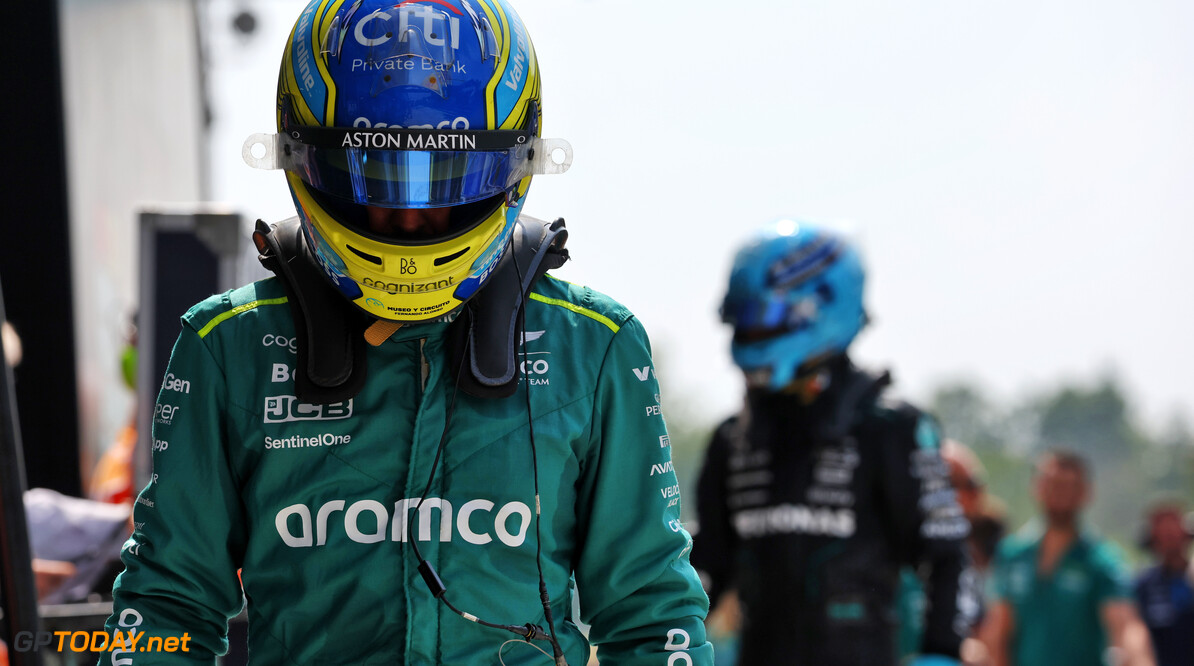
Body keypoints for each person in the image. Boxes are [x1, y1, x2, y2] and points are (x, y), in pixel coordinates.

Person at [102, 1, 713, 663]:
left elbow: (653, 616)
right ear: (305, 158)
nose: (411, 219)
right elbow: (167, 607)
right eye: (376, 182)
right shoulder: (227, 346)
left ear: (513, 163)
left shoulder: (594, 345)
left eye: (446, 182)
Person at [691, 219, 977, 665]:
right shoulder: (734, 437)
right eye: (740, 321)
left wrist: (941, 653)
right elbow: (709, 565)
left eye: (761, 319)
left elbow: (945, 556)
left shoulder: (890, 426)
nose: (746, 337)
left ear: (821, 308)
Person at [980, 449, 1155, 666]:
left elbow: (1126, 626)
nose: (1059, 495)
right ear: (1036, 488)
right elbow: (998, 631)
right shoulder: (1013, 554)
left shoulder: (1101, 560)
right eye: (1052, 485)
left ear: (1086, 492)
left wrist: (1140, 659)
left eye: (1068, 487)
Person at [1133, 502, 1194, 666]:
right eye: (1163, 532)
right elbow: (1136, 632)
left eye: (1173, 531)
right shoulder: (1143, 585)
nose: (1169, 535)